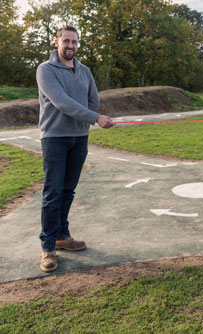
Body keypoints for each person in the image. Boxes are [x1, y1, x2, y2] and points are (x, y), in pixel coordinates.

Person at [36, 26, 115, 273]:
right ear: (57, 41)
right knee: (53, 193)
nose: (70, 45)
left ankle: (62, 235)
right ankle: (48, 248)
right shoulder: (45, 70)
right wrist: (94, 117)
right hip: (55, 138)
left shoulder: (84, 70)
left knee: (68, 191)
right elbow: (61, 102)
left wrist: (89, 117)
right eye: (66, 41)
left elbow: (93, 100)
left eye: (75, 42)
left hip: (79, 138)